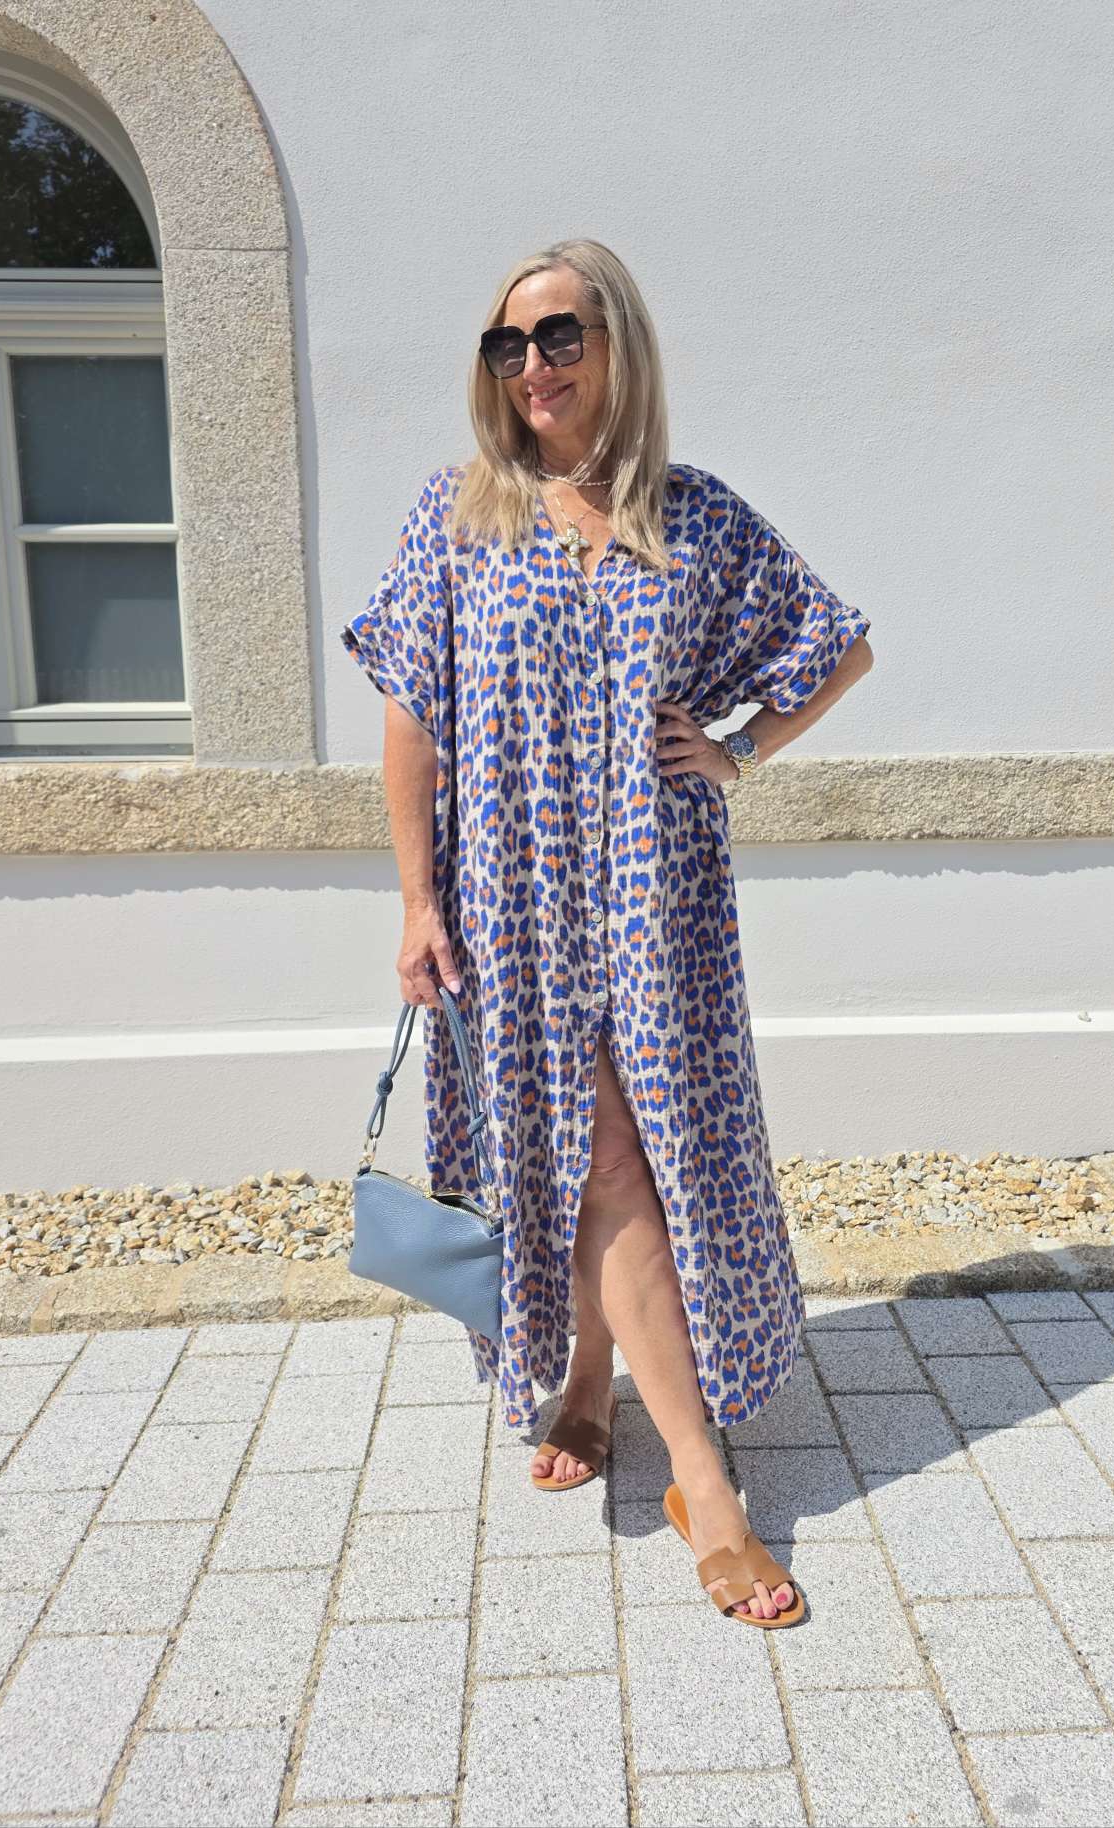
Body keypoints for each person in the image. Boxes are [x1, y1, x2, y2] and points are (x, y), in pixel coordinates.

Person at [341, 236, 873, 1625]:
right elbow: (410, 723)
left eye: (560, 335)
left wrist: (739, 749)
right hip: (508, 895)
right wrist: (417, 899)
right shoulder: (455, 516)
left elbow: (837, 643)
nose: (533, 366)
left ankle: (642, 1426)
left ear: (617, 345)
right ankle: (659, 1439)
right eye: (507, 344)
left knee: (634, 1151)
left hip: (653, 889)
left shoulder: (693, 519)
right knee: (576, 1150)